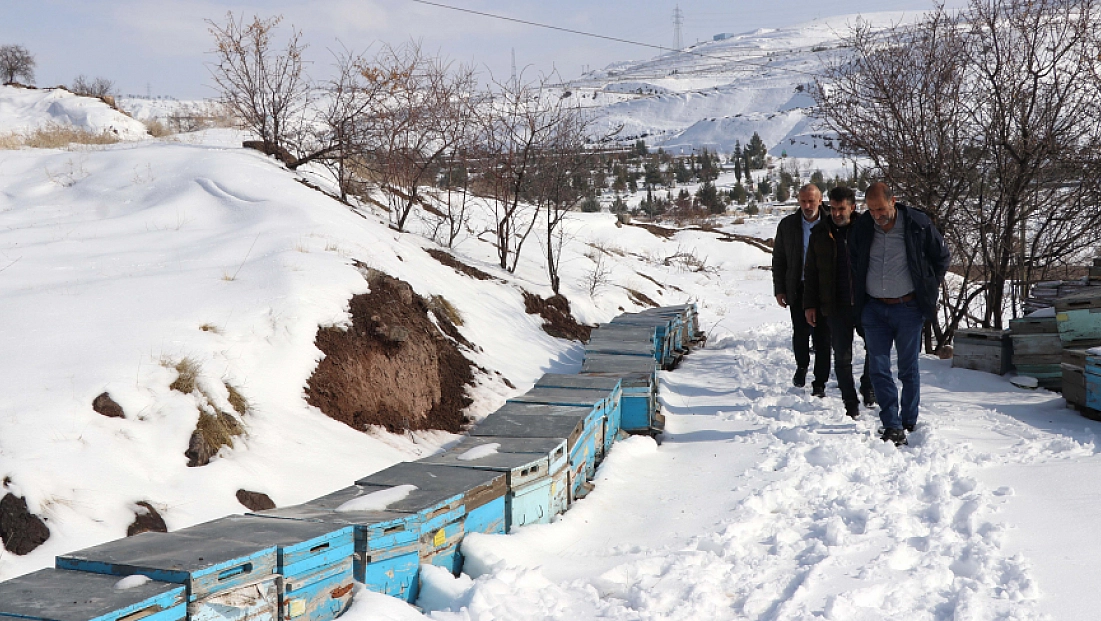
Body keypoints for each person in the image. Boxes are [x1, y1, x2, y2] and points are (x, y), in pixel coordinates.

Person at [850, 182, 950, 446]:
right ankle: (891, 424)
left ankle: (909, 418)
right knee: (879, 369)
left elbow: (941, 256)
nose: (877, 215)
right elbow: (854, 262)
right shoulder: (862, 227)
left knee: (908, 368)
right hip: (873, 309)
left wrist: (928, 285)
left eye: (880, 209)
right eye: (871, 210)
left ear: (893, 201)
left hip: (908, 308)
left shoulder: (917, 224)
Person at [803, 186, 875, 419]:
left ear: (852, 207)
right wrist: (810, 305)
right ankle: (850, 402)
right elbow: (811, 272)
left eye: (841, 209)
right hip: (836, 305)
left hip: (866, 302)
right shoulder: (820, 233)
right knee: (842, 357)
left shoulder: (868, 229)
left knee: (874, 349)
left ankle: (868, 385)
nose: (836, 213)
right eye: (832, 209)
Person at [772, 184, 830, 396]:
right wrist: (780, 289)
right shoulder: (788, 225)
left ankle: (820, 382)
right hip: (798, 287)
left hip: (825, 289)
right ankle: (802, 365)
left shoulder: (831, 223)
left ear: (820, 200)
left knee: (824, 336)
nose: (807, 205)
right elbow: (779, 259)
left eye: (811, 201)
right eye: (803, 201)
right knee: (801, 331)